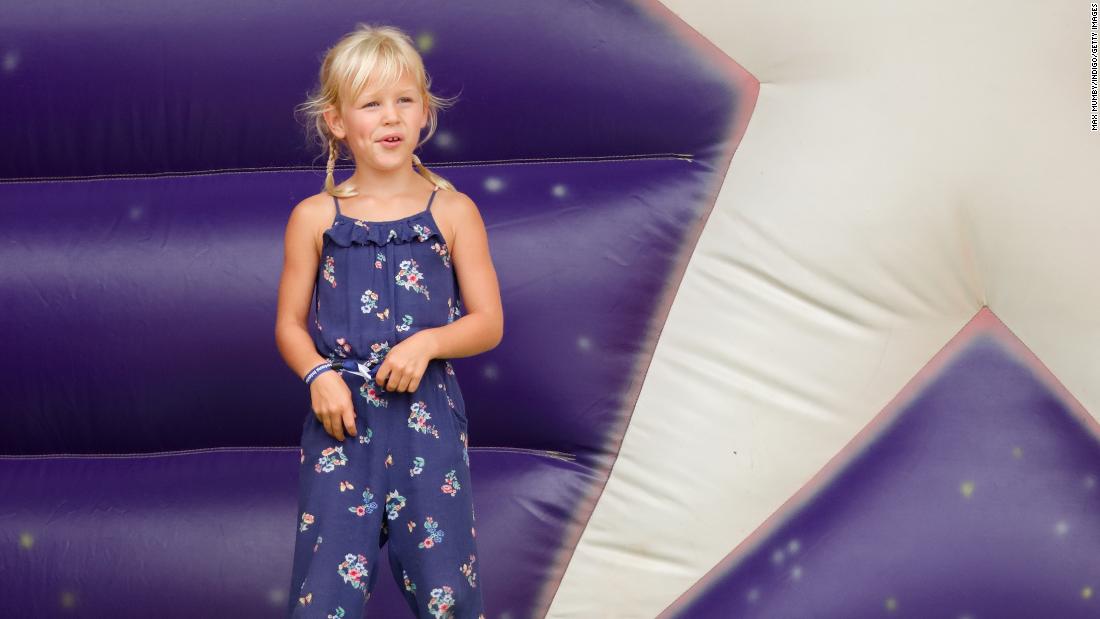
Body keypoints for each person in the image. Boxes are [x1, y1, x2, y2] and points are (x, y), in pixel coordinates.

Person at [275, 22, 502, 619]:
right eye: (371, 104)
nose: (390, 116)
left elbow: (488, 322)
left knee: (447, 593)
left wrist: (427, 343)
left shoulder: (453, 212)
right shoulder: (314, 217)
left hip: (428, 422)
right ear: (336, 120)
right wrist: (318, 376)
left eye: (404, 99)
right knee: (322, 598)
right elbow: (289, 326)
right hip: (341, 426)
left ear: (425, 111)